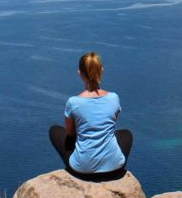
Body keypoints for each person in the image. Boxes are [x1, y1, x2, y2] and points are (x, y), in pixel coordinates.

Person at [49, 52, 133, 181]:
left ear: (80, 73)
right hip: (115, 168)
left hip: (82, 170)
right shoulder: (114, 98)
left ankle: (81, 159)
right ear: (102, 70)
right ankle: (110, 159)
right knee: (126, 134)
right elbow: (112, 124)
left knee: (54, 130)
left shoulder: (73, 102)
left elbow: (71, 133)